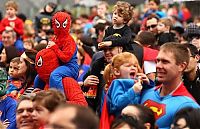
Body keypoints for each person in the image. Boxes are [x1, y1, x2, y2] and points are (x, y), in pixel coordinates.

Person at [139, 43, 199, 128]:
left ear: (181, 66)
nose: (158, 66)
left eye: (165, 62)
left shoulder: (188, 106)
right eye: (158, 61)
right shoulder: (146, 93)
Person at [34, 11, 79, 94]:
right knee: (40, 75)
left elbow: (66, 58)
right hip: (57, 65)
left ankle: (59, 98)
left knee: (55, 75)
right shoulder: (55, 38)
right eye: (58, 24)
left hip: (70, 67)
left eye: (63, 24)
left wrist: (54, 47)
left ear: (68, 24)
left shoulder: (69, 41)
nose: (60, 27)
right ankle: (36, 95)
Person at [83, 35, 123, 114]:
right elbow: (91, 95)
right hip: (101, 114)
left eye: (110, 49)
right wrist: (85, 85)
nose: (107, 52)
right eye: (105, 50)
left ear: (120, 48)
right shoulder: (98, 64)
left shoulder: (129, 63)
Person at [105, 52, 154, 116]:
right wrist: (133, 91)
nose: (133, 68)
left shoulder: (138, 82)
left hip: (138, 118)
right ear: (117, 72)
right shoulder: (118, 83)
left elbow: (150, 97)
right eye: (128, 66)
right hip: (123, 119)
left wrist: (148, 84)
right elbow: (117, 103)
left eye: (135, 66)